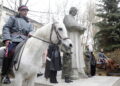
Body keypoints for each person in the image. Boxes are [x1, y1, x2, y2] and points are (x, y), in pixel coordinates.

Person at [1, 5, 33, 84]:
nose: (25, 12)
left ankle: (34, 71)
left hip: (25, 41)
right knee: (9, 51)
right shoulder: (13, 18)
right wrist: (7, 38)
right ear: (19, 11)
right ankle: (5, 74)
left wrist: (31, 33)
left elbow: (32, 31)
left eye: (26, 11)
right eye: (23, 10)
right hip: (14, 39)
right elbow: (6, 28)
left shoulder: (29, 22)